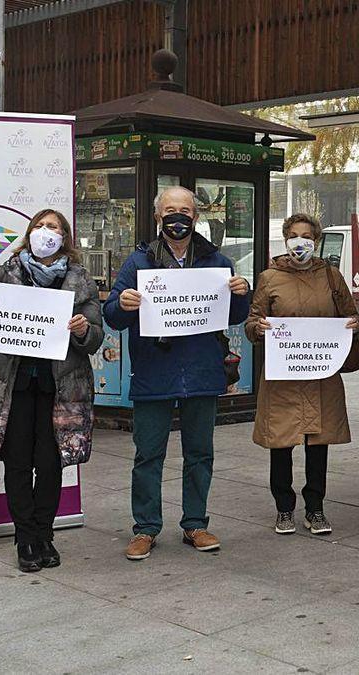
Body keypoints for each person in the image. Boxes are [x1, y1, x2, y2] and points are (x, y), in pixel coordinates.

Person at [0, 209, 103, 572]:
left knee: (50, 465)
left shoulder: (81, 281)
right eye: (39, 226)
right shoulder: (5, 273)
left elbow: (95, 338)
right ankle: (25, 537)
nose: (45, 232)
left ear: (64, 237)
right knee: (17, 463)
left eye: (53, 227)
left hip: (60, 390)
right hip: (12, 387)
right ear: (29, 233)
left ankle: (44, 534)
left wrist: (82, 330)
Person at [104, 186, 251, 561]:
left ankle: (195, 524)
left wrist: (241, 294)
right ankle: (145, 528)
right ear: (158, 217)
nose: (178, 217)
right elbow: (112, 315)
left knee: (200, 453)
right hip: (154, 372)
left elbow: (233, 317)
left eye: (185, 210)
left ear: (196, 216)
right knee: (148, 455)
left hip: (201, 372)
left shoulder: (216, 261)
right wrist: (122, 303)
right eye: (170, 210)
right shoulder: (138, 263)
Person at [246, 213, 359, 536]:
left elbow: (351, 315)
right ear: (285, 239)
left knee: (317, 444)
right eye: (294, 235)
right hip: (283, 379)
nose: (301, 242)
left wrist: (353, 324)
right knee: (281, 444)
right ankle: (284, 508)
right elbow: (252, 324)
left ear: (316, 240)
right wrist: (260, 327)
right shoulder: (269, 278)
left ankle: (315, 508)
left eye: (307, 236)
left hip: (320, 376)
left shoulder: (331, 277)